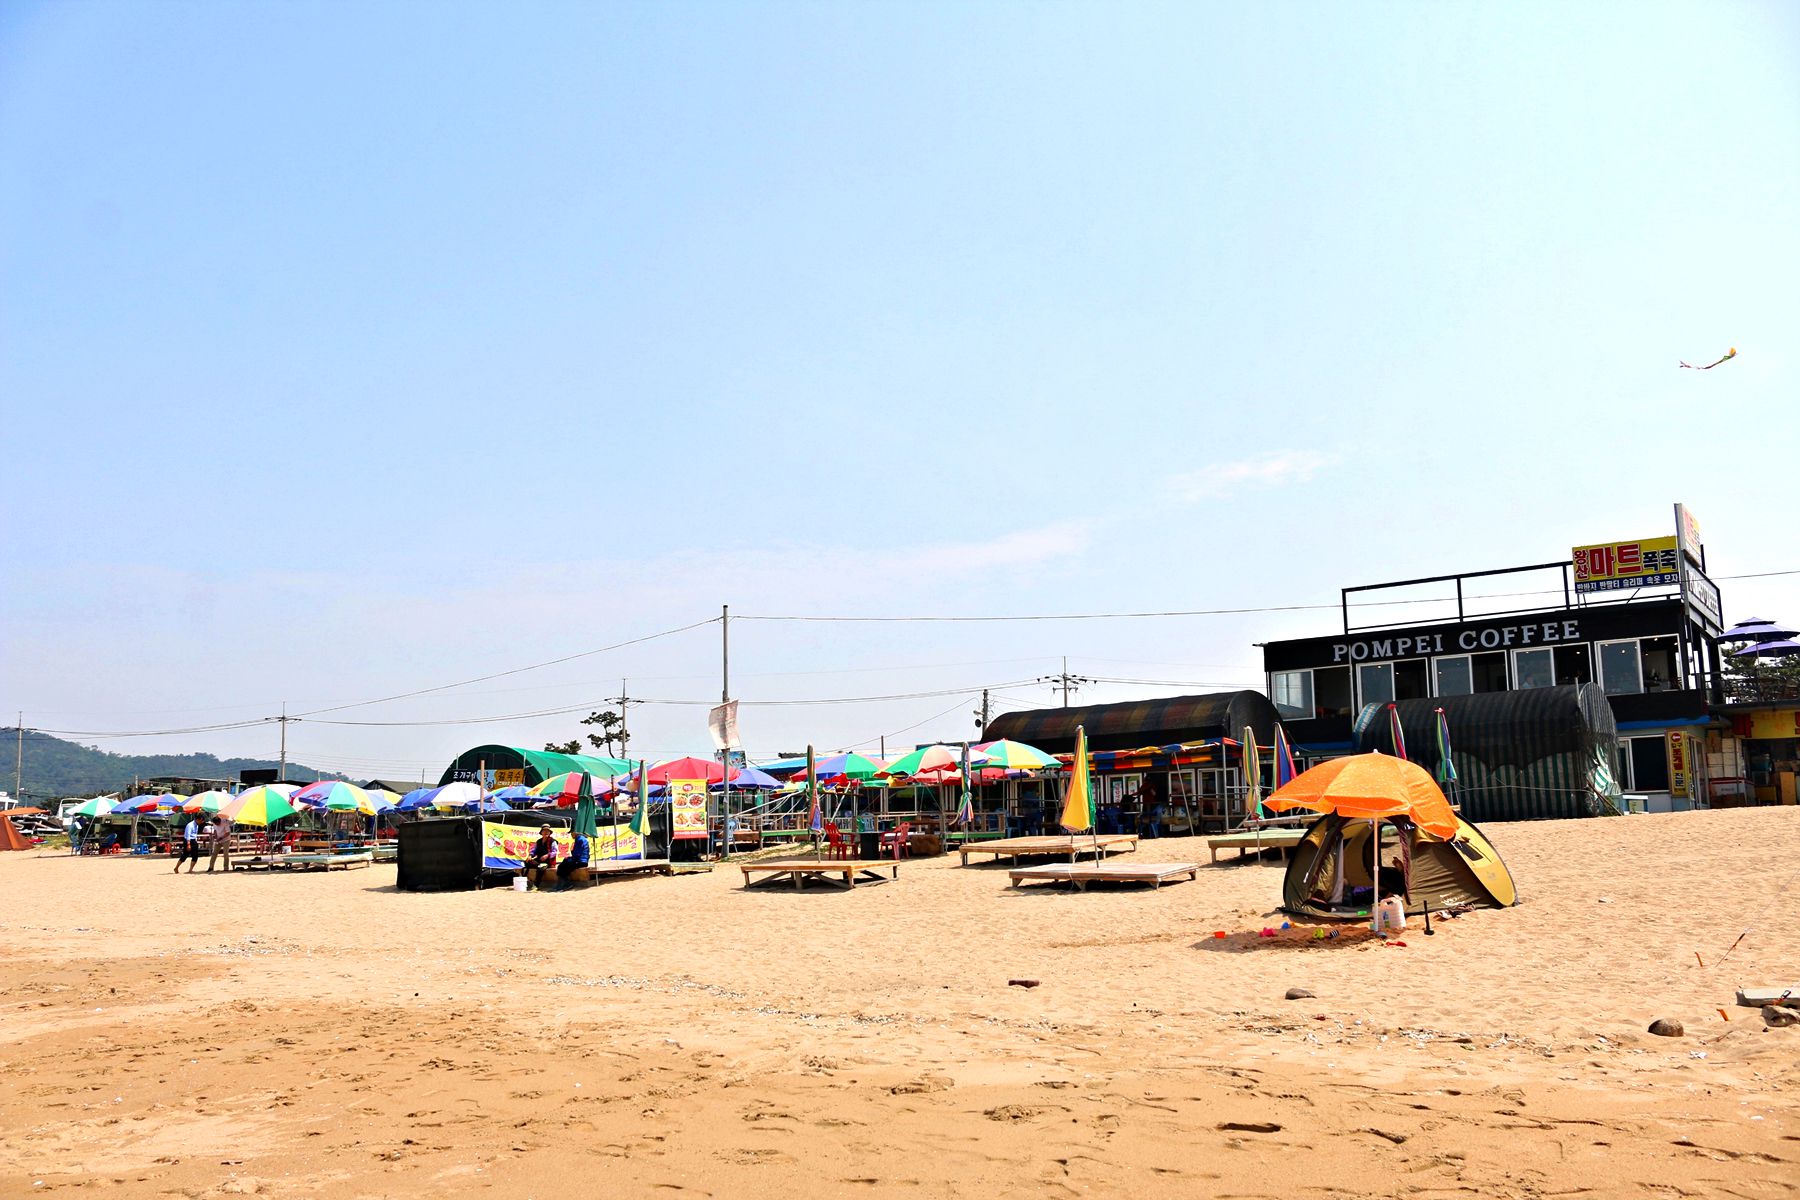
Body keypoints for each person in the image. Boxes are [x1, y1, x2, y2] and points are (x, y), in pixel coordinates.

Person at [521, 825, 558, 890]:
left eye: (548, 831)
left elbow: (554, 852)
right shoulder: (539, 841)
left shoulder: (553, 841)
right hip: (539, 861)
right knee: (527, 862)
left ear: (550, 833)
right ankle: (525, 881)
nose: (546, 832)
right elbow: (534, 850)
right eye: (544, 831)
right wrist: (530, 856)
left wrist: (547, 855)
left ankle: (536, 885)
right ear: (541, 832)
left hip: (548, 861)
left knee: (541, 868)